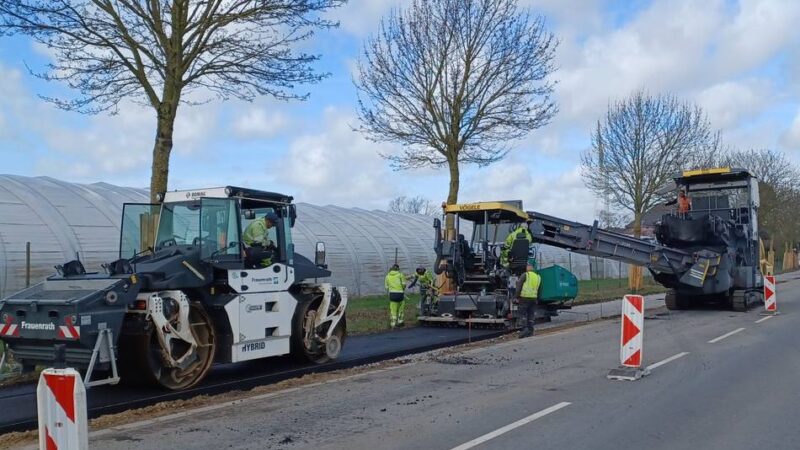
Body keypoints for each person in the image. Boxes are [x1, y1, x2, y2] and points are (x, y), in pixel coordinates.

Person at [515, 262, 541, 338]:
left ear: (529, 267)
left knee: (522, 314)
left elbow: (519, 286)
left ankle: (525, 329)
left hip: (524, 298)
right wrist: (537, 299)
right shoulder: (538, 277)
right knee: (531, 314)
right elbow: (539, 289)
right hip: (533, 298)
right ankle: (531, 330)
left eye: (527, 266)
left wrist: (516, 296)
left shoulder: (525, 275)